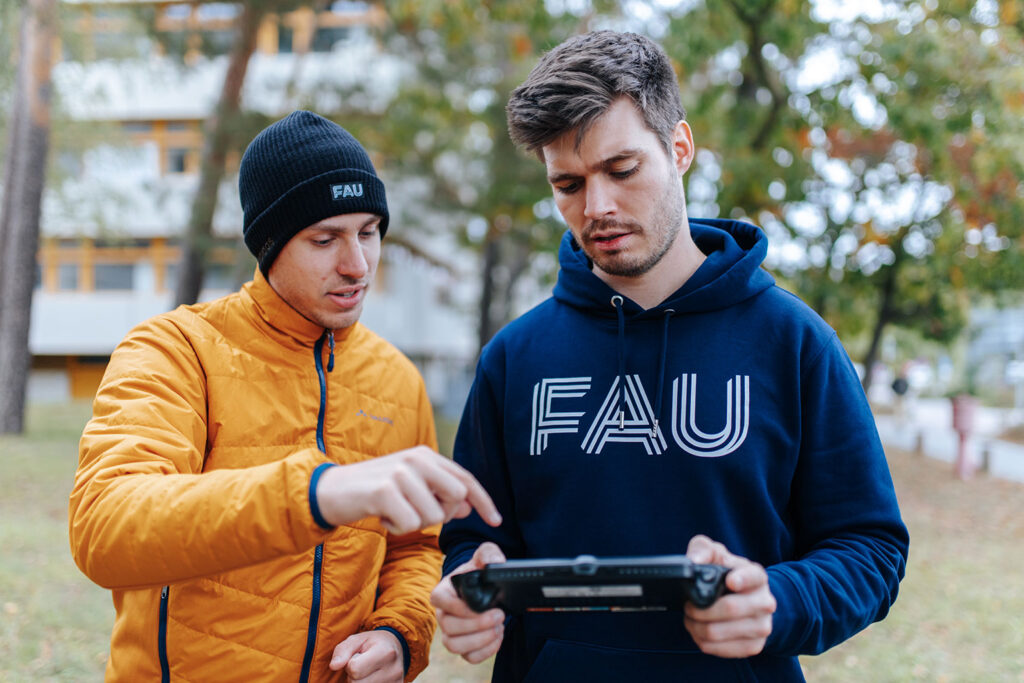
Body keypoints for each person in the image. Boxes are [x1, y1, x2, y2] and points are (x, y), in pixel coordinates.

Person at [430, 31, 909, 681]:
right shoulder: (513, 357)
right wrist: (468, 582)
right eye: (568, 184)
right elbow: (471, 538)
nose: (596, 206)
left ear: (678, 148)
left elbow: (871, 548)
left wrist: (779, 600)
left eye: (621, 169)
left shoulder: (795, 343)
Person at [69, 110, 501, 683]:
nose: (357, 265)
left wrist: (401, 632)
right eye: (325, 239)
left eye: (369, 231)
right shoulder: (178, 348)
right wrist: (319, 492)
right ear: (269, 244)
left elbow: (416, 549)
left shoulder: (397, 378)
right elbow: (106, 526)